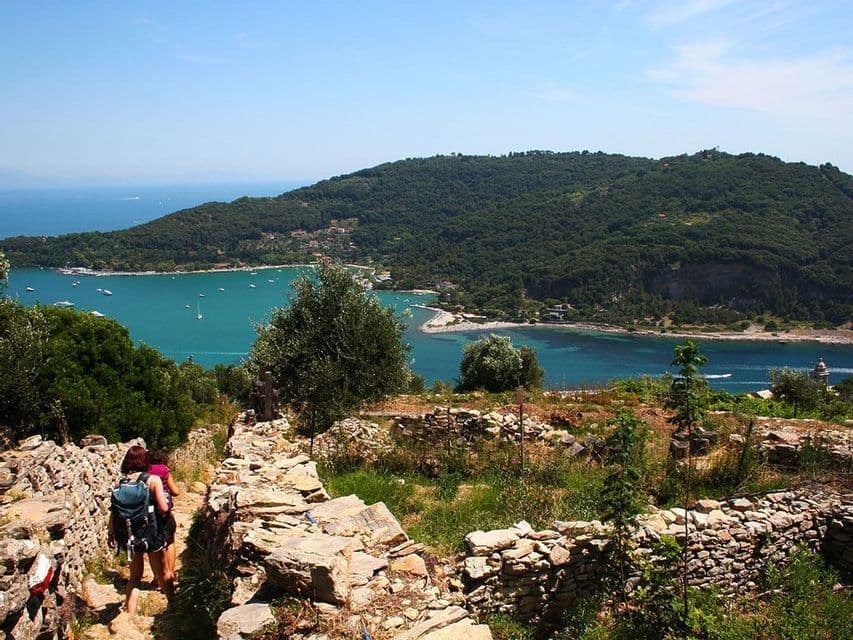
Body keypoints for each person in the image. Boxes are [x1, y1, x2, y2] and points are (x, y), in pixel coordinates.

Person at [110, 445, 174, 614]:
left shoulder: (120, 484)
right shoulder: (153, 480)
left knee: (135, 577)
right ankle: (174, 606)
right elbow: (163, 508)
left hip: (130, 534)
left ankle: (130, 616)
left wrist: (111, 532)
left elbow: (114, 512)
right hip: (151, 533)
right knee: (163, 573)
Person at [148, 450, 180, 584]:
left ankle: (158, 577)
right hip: (165, 513)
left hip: (149, 513)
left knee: (152, 546)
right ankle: (169, 575)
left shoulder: (146, 471)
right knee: (170, 541)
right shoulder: (164, 470)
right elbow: (176, 491)